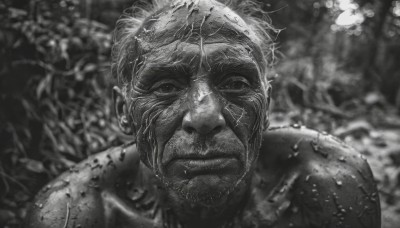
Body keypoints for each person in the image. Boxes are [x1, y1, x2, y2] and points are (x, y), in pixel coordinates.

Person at [24, 0, 381, 227]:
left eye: (237, 82)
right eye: (165, 86)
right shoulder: (76, 212)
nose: (205, 115)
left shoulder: (325, 179)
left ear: (266, 106)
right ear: (124, 111)